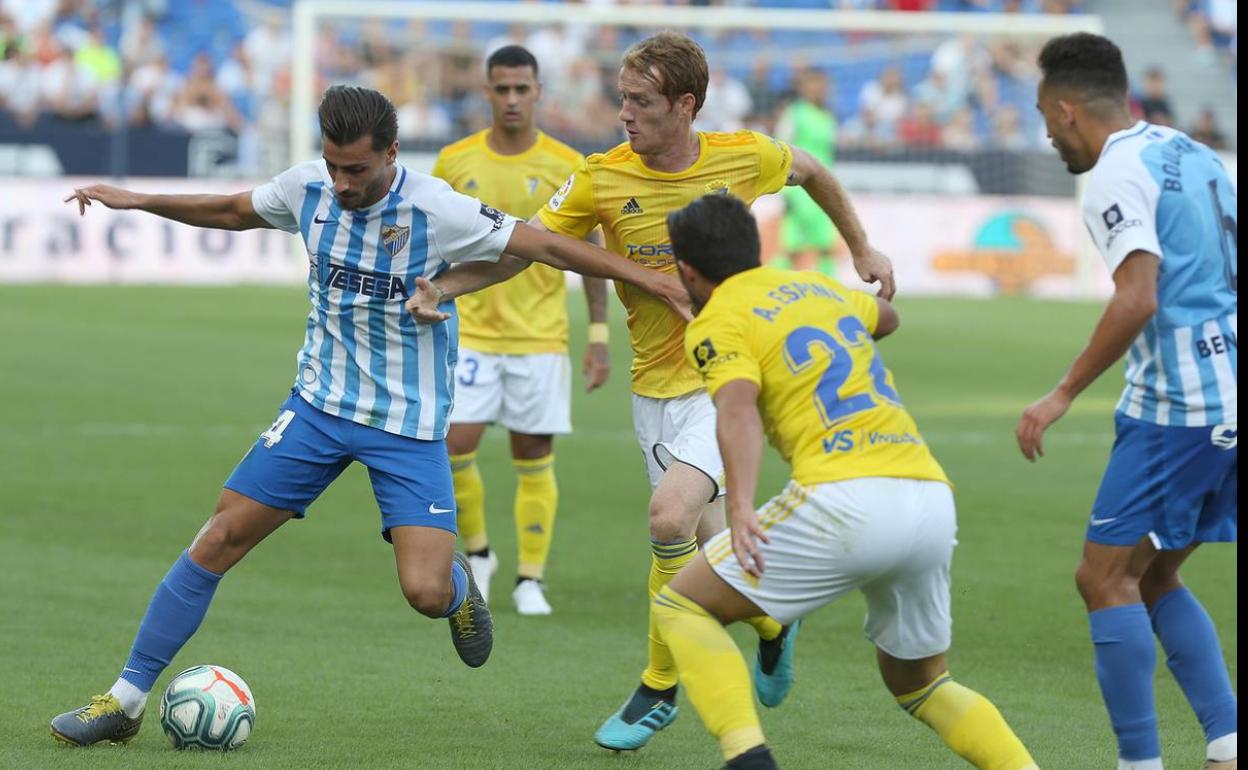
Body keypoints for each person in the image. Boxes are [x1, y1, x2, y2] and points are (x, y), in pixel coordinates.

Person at [49, 84, 688, 747]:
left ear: (390, 153)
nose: (341, 182)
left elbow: (546, 246)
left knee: (424, 592)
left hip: (406, 427)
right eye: (333, 166)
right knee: (217, 539)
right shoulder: (309, 190)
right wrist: (140, 198)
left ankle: (456, 588)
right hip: (317, 408)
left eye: (356, 169)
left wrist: (653, 281)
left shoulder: (436, 208)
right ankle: (124, 700)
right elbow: (233, 209)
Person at [406, 31, 895, 752]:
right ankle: (771, 620)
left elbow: (815, 171)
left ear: (686, 105)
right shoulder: (602, 178)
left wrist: (860, 247)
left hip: (727, 377)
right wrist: (446, 287)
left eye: (640, 102)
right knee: (712, 548)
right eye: (622, 99)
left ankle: (657, 688)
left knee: (668, 520)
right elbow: (526, 249)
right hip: (654, 389)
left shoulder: (742, 156)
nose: (624, 114)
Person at [653, 192, 1039, 770]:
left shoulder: (715, 323)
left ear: (686, 271)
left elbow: (734, 410)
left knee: (682, 606)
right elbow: (887, 316)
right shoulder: (816, 286)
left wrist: (738, 510)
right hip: (928, 496)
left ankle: (747, 757)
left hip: (845, 499)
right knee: (922, 685)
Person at [1019, 33, 1237, 770]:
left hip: (1180, 408)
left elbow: (1136, 297)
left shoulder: (1116, 174)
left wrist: (1060, 393)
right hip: (1230, 389)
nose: (1047, 133)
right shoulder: (1191, 151)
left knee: (1103, 576)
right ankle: (1229, 742)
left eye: (1046, 117)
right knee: (1155, 574)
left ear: (1067, 107)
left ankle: (1137, 764)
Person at [431, 45, 611, 616]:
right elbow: (430, 236)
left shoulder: (567, 163)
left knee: (533, 451)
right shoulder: (455, 161)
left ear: (538, 92)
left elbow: (591, 251)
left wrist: (601, 336)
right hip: (472, 333)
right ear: (486, 92)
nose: (511, 99)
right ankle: (480, 554)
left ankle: (531, 578)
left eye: (521, 89)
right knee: (455, 444)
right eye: (501, 89)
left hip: (540, 336)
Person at [775, 68, 840, 275]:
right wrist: (784, 186)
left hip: (824, 186)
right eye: (814, 84)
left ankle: (831, 291)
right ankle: (774, 284)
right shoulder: (794, 114)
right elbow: (780, 147)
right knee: (791, 248)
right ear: (804, 87)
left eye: (822, 85)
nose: (819, 89)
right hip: (798, 189)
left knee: (826, 246)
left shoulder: (829, 118)